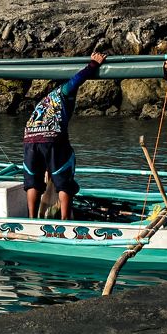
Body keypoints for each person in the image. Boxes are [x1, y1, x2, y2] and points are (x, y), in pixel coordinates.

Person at [23, 51, 107, 219]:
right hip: (52, 137)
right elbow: (77, 80)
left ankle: (31, 218)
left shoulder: (44, 100)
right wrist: (93, 64)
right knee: (64, 179)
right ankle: (65, 219)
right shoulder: (62, 92)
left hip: (30, 138)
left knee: (33, 180)